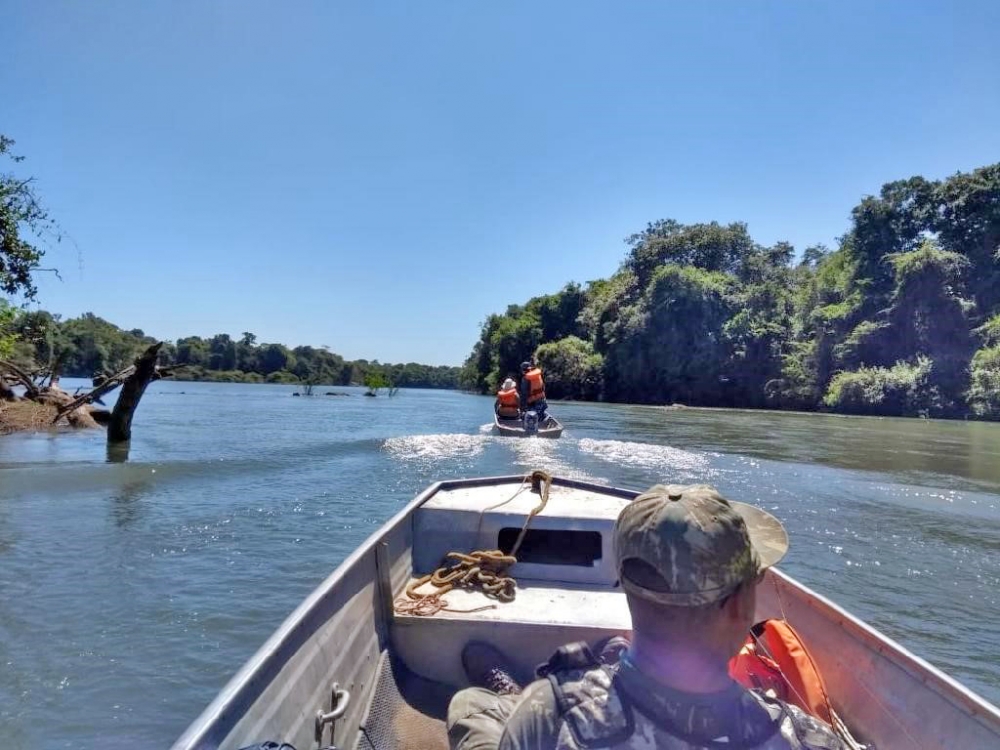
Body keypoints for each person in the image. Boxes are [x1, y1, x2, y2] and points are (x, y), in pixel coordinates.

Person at [446, 484, 846, 750]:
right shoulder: (808, 739)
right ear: (741, 605)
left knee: (471, 704)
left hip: (538, 716)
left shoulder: (549, 715)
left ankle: (516, 694)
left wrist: (535, 702)